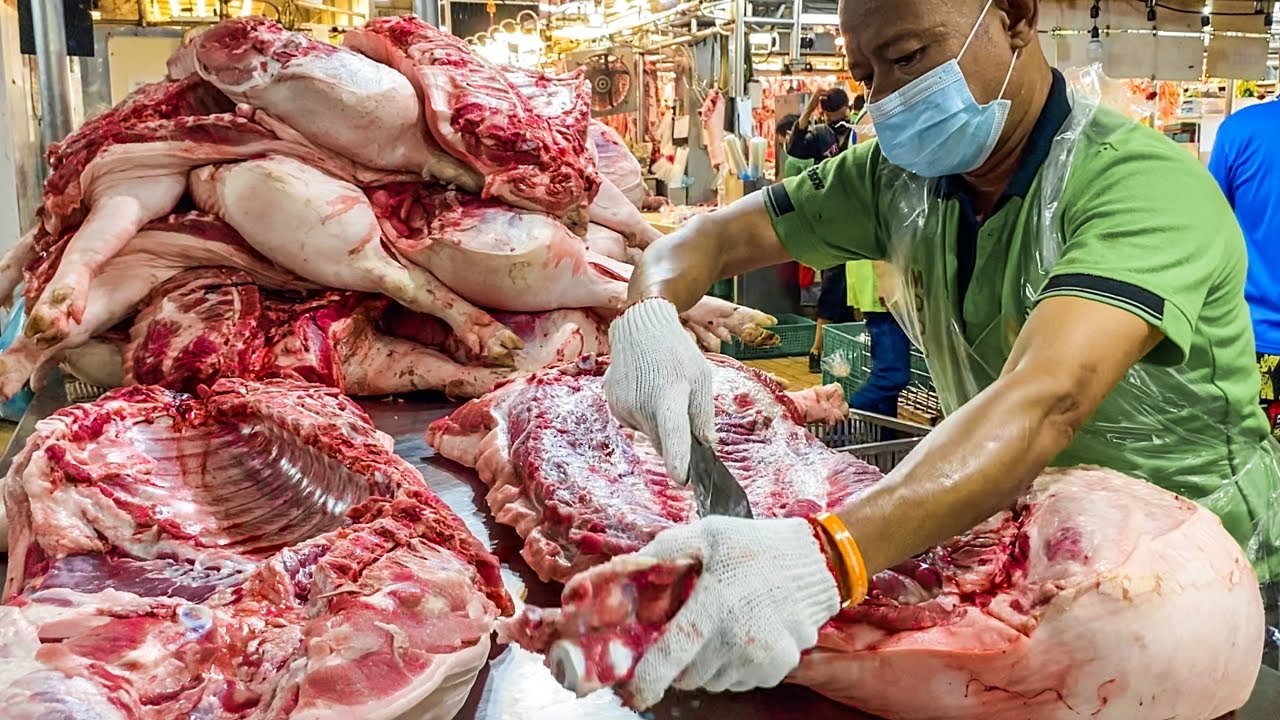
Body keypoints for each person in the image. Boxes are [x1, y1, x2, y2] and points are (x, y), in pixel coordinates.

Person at [601, 0, 1280, 708]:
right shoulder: (895, 181)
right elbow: (704, 240)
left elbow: (1049, 398)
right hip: (1003, 549)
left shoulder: (1142, 187)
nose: (887, 101)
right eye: (865, 75)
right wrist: (648, 317)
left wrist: (829, 555)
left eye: (907, 58)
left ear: (1016, 17)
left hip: (1183, 576)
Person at [1209, 99, 1280, 440]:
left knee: (1259, 476)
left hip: (1257, 347)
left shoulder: (1241, 131)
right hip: (1257, 339)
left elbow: (1209, 231)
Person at [789, 86, 859, 372]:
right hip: (831, 217)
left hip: (858, 215)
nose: (834, 117)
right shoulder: (820, 134)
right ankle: (818, 350)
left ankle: (852, 351)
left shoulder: (859, 129)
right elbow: (794, 146)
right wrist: (808, 110)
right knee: (834, 283)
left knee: (854, 287)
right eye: (829, 112)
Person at [845, 259, 911, 416]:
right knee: (892, 375)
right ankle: (841, 418)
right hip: (884, 290)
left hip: (873, 287)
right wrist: (885, 278)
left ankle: (884, 435)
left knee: (887, 391)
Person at [774, 113, 813, 180]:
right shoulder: (816, 151)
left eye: (782, 143)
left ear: (788, 135)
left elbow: (788, 188)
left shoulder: (792, 163)